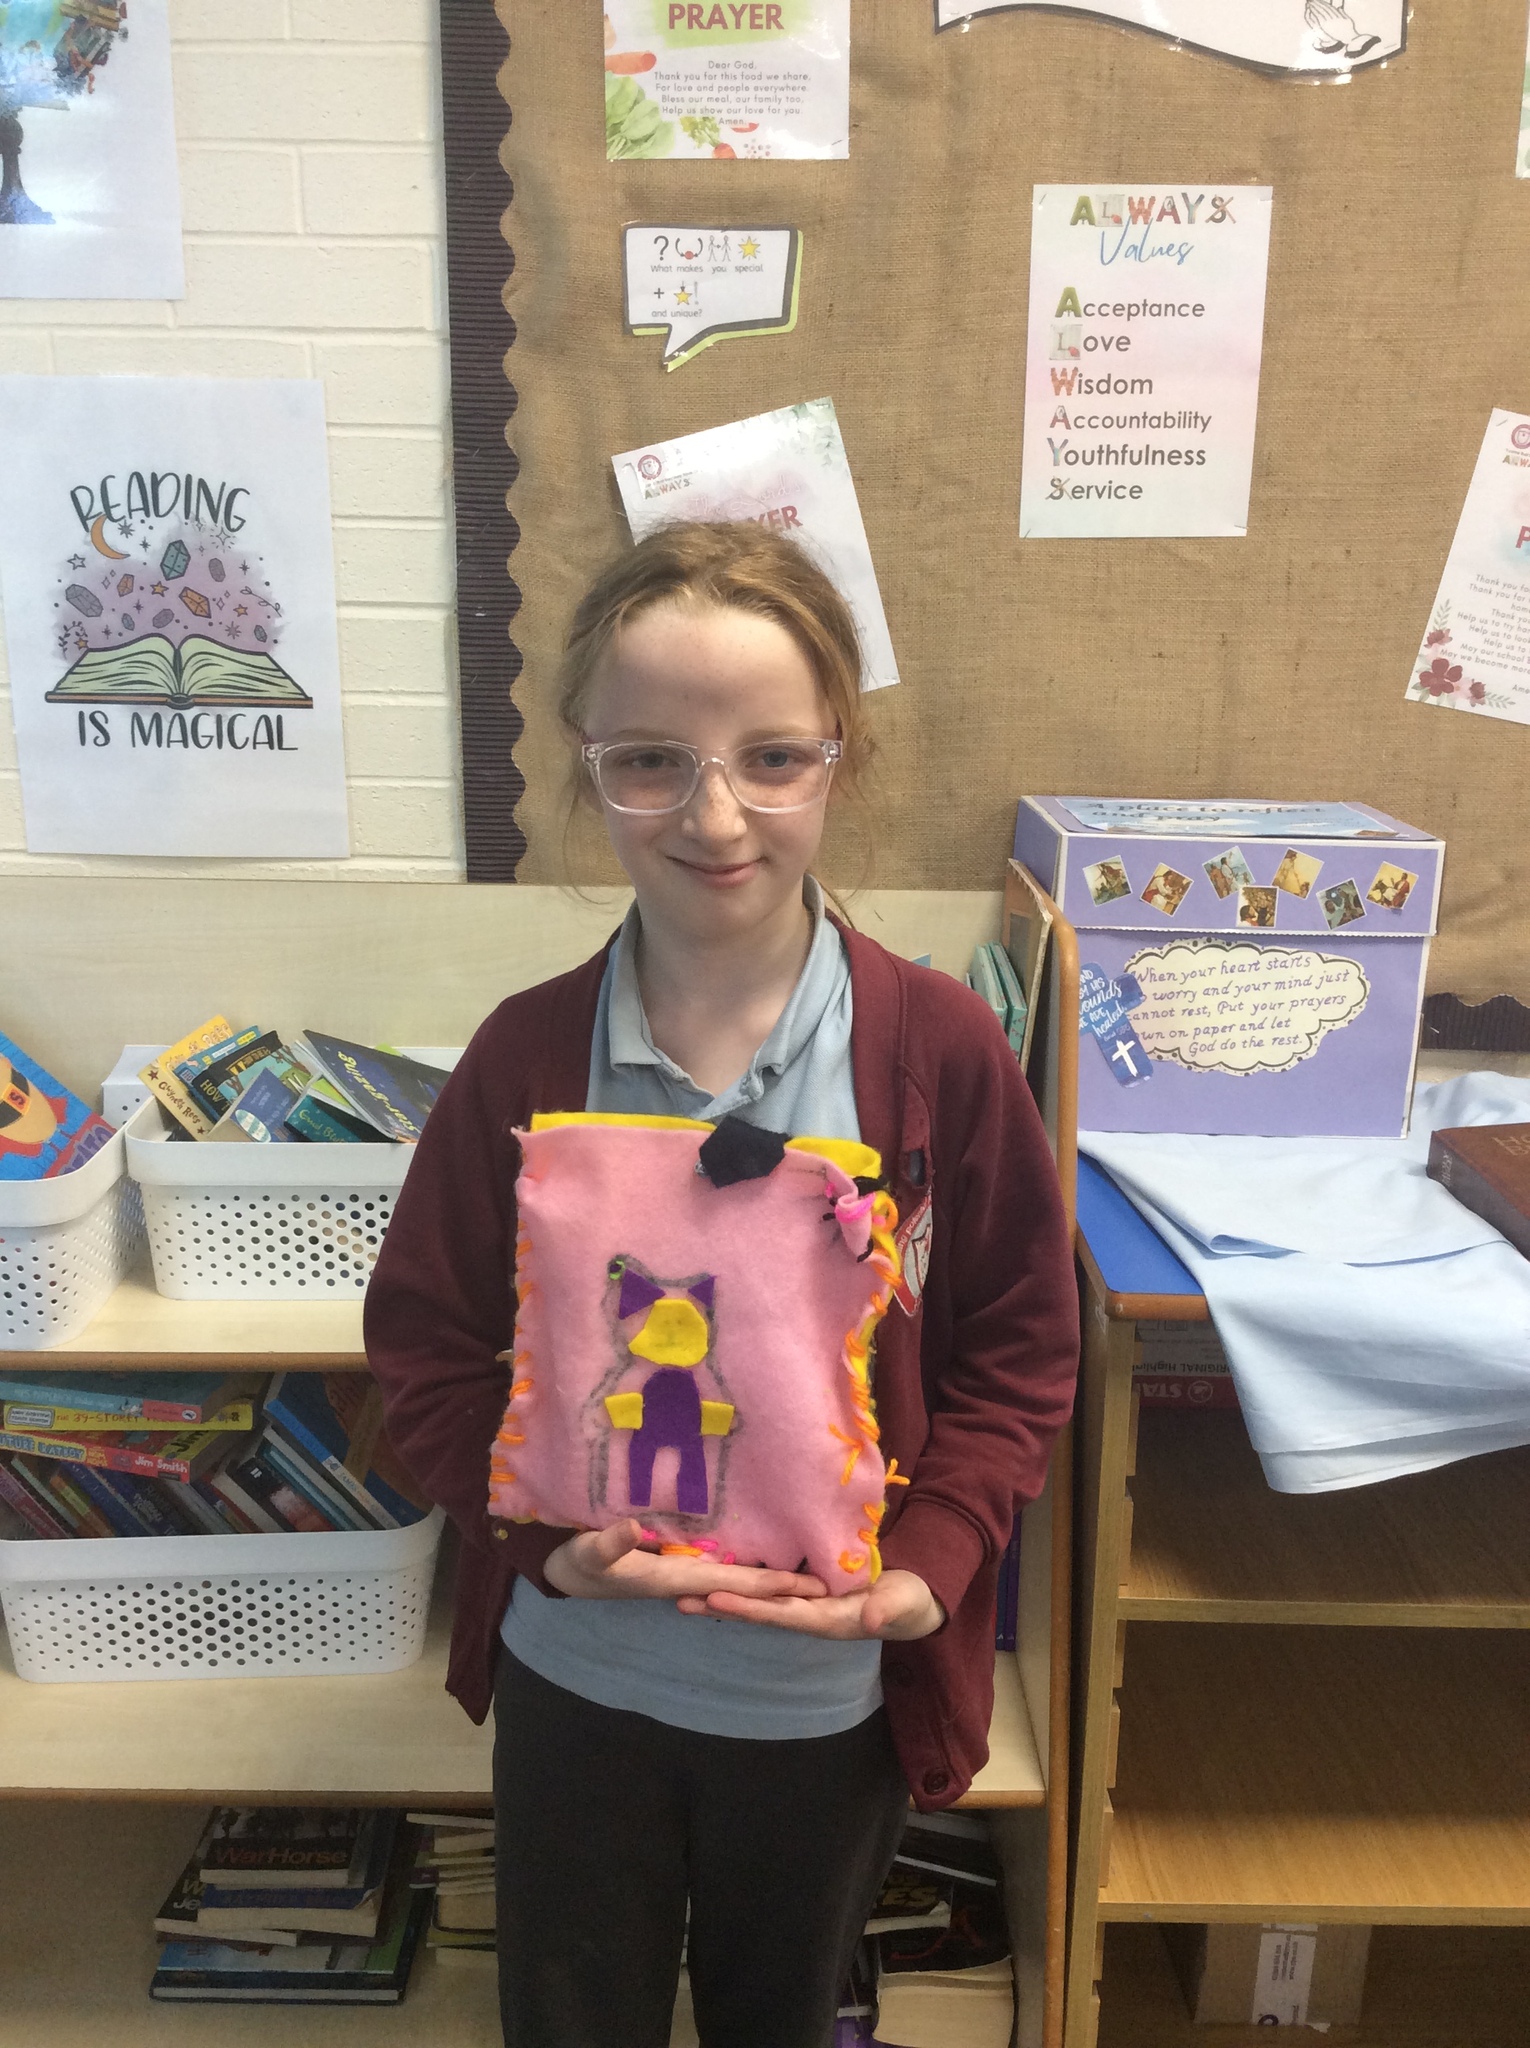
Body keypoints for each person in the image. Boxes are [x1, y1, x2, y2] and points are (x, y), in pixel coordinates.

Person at [365, 520, 1078, 2048]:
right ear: (585, 763)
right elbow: (423, 1345)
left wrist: (931, 1561)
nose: (712, 815)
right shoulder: (526, 1055)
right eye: (649, 762)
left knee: (782, 2011)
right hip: (581, 1682)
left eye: (769, 759)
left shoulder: (935, 1052)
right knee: (571, 2013)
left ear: (838, 758)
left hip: (822, 1706)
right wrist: (540, 1547)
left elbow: (1021, 1351)